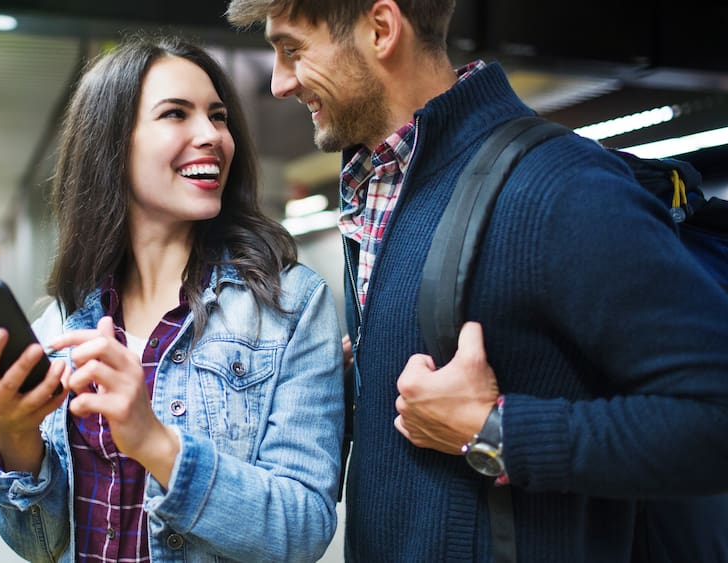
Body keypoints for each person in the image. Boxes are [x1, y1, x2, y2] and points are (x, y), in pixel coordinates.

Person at [226, 1, 728, 562]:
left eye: (292, 49)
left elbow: (713, 415)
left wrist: (494, 432)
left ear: (381, 29)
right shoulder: (382, 186)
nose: (279, 83)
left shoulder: (560, 188)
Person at [0, 34, 345, 563]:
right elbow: (40, 543)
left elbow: (302, 529)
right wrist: (13, 431)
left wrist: (155, 443)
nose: (212, 136)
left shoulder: (290, 308)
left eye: (218, 116)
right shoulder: (64, 323)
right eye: (175, 114)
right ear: (111, 144)